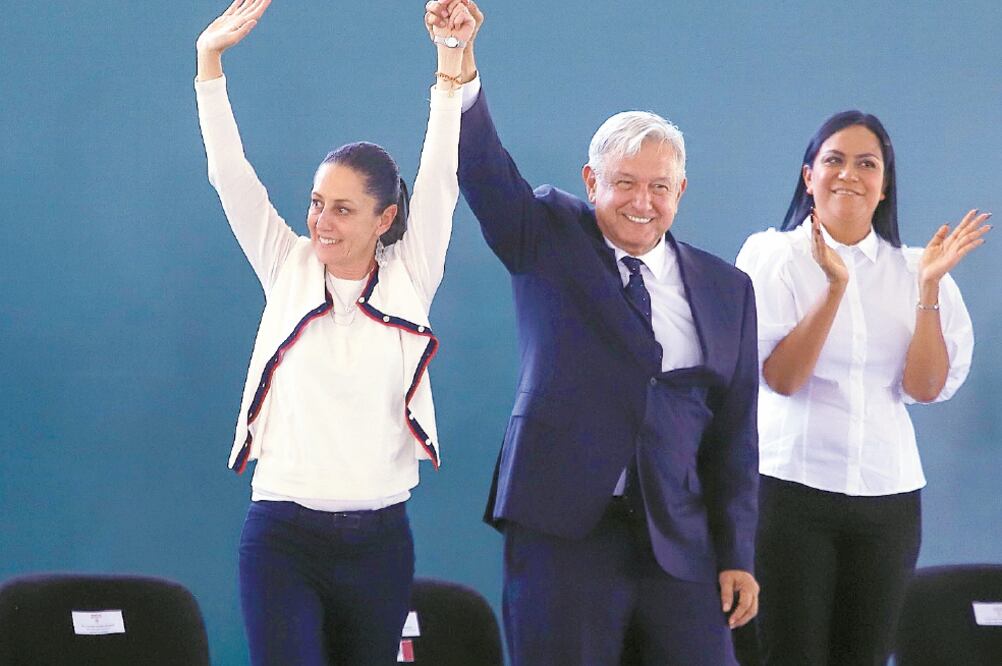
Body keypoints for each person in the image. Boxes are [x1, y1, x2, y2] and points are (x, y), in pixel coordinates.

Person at [425, 3, 759, 664]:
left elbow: (735, 434)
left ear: (681, 190)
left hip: (679, 541)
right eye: (625, 183)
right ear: (591, 181)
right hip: (563, 530)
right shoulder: (547, 234)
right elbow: (483, 169)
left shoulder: (728, 289)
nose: (642, 201)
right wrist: (456, 58)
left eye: (659, 187)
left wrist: (737, 553)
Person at [194, 0, 476, 663]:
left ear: (386, 218)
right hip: (282, 537)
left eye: (343, 209)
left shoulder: (412, 275)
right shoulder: (284, 262)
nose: (321, 221)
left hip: (381, 542)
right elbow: (229, 177)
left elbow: (441, 174)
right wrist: (209, 64)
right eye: (317, 203)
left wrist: (449, 63)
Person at [735, 111, 990, 665]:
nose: (849, 174)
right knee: (789, 656)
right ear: (809, 176)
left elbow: (925, 388)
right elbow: (781, 379)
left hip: (888, 498)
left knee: (866, 657)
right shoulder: (772, 256)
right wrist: (834, 287)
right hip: (790, 491)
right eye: (834, 160)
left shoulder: (917, 267)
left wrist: (928, 289)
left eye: (867, 164)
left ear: (884, 184)